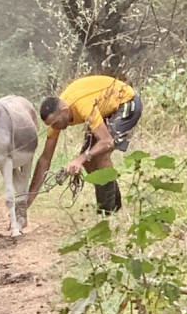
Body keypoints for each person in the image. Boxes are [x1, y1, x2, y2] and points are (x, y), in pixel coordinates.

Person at [27, 75, 142, 214]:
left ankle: (107, 212)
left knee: (100, 156)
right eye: (51, 125)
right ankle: (114, 207)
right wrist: (28, 201)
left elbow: (107, 142)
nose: (54, 127)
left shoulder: (82, 105)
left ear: (64, 111)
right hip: (104, 108)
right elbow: (45, 160)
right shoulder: (55, 121)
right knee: (89, 163)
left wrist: (79, 159)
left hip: (126, 101)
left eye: (56, 123)